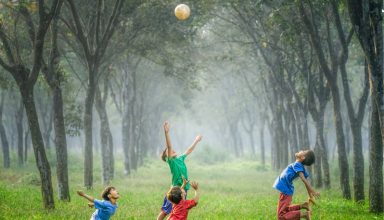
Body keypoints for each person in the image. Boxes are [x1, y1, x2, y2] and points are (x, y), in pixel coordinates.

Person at [157, 121, 202, 220]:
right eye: (169, 151)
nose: (172, 150)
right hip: (174, 191)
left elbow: (189, 150)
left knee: (181, 210)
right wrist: (167, 133)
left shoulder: (180, 159)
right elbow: (169, 146)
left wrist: (196, 140)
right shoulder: (171, 162)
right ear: (167, 156)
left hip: (183, 189)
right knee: (165, 211)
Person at [273, 150, 320, 220]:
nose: (301, 150)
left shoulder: (297, 165)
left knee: (281, 216)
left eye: (303, 151)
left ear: (302, 157)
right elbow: (305, 181)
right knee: (285, 209)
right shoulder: (299, 165)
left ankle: (304, 214)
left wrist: (312, 191)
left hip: (286, 190)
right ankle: (303, 205)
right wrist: (310, 195)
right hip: (286, 190)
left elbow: (304, 179)